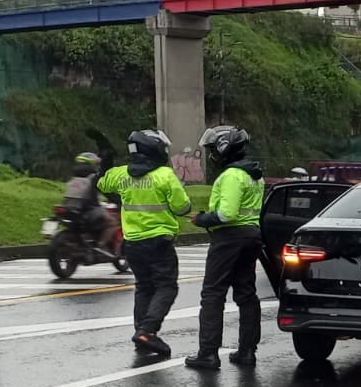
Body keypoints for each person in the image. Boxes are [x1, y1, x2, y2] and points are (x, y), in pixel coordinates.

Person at [98, 129, 193, 356]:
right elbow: (182, 207)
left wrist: (106, 158)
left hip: (132, 244)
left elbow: (102, 183)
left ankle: (141, 333)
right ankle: (147, 331)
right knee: (166, 287)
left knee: (144, 287)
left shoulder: (121, 174)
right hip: (159, 243)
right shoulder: (164, 175)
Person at [187, 125, 265, 370]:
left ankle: (208, 353)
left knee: (213, 294)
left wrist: (202, 219)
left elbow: (227, 214)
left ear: (224, 148)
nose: (211, 155)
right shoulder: (254, 175)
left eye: (213, 150)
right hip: (251, 236)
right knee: (246, 294)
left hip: (229, 238)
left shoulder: (231, 175)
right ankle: (247, 351)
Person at [60, 151, 115, 254]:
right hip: (89, 210)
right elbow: (107, 193)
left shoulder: (73, 178)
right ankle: (101, 245)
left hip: (69, 209)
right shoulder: (94, 178)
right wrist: (117, 199)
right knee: (112, 222)